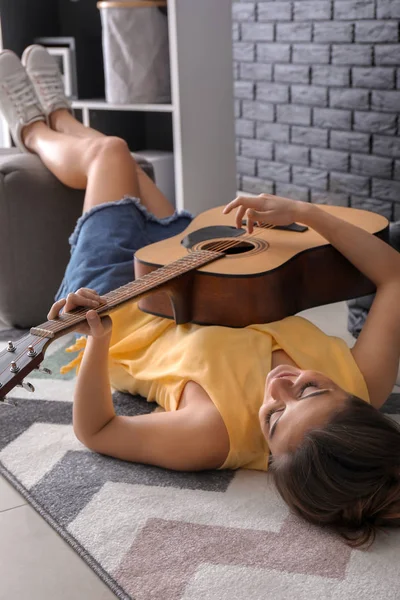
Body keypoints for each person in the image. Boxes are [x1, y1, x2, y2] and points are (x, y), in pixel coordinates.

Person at [1, 46, 400, 548]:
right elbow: (394, 278)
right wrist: (303, 211)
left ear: (274, 459)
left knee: (113, 154)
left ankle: (35, 126)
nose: (279, 386)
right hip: (200, 273)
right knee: (130, 169)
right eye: (311, 390)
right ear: (354, 403)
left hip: (114, 298)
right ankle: (57, 114)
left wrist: (97, 342)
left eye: (274, 420)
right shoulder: (366, 381)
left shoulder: (213, 435)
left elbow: (99, 430)